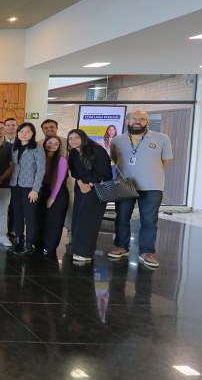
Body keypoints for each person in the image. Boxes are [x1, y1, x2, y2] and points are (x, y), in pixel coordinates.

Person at [108, 111, 172, 268]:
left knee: (149, 221)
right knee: (122, 218)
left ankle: (147, 252)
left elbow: (164, 162)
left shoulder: (162, 138)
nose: (138, 121)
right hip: (125, 185)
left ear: (147, 121)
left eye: (142, 119)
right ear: (128, 122)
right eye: (134, 119)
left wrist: (153, 177)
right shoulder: (116, 140)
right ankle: (121, 247)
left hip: (152, 187)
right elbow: (115, 161)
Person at [67, 129, 112, 263]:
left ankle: (85, 253)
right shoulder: (74, 152)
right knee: (79, 219)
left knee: (89, 221)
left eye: (76, 138)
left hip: (96, 188)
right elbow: (74, 171)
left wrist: (90, 185)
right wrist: (81, 184)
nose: (73, 141)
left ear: (83, 138)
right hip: (81, 188)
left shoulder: (97, 150)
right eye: (70, 139)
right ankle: (77, 249)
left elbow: (104, 172)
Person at [9, 122, 45, 256]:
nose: (24, 134)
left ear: (32, 134)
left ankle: (29, 243)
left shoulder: (37, 148)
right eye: (21, 131)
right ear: (18, 133)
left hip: (30, 187)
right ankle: (19, 241)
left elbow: (41, 170)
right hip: (15, 185)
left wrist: (35, 189)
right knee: (17, 214)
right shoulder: (14, 148)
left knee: (29, 215)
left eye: (28, 131)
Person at [39, 135, 69, 256]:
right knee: (41, 219)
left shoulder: (62, 160)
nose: (52, 145)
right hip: (42, 190)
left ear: (59, 147)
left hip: (57, 193)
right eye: (50, 142)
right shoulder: (40, 157)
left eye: (56, 144)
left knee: (54, 221)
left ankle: (50, 247)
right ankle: (39, 244)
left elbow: (59, 181)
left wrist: (52, 198)